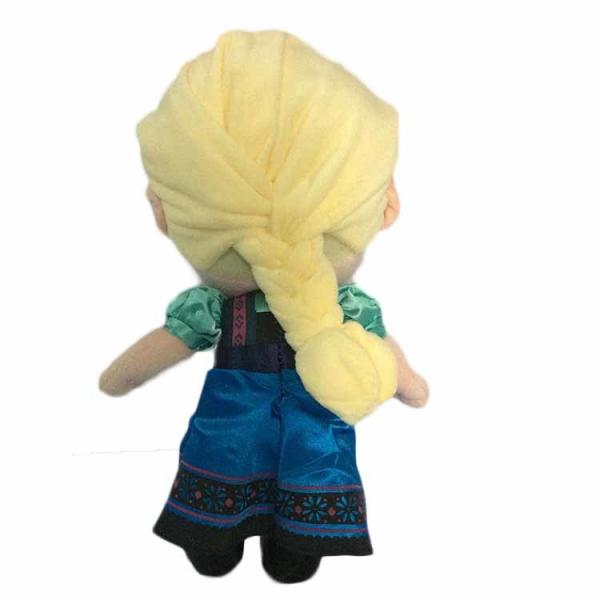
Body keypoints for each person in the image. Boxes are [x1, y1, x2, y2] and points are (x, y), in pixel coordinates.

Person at [100, 30, 428, 584]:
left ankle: (278, 537)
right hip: (251, 430)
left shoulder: (331, 305)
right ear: (386, 204)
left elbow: (154, 353)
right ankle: (234, 533)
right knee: (241, 463)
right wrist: (410, 386)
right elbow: (393, 366)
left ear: (165, 214)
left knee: (287, 474)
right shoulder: (309, 307)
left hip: (277, 430)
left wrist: (119, 379)